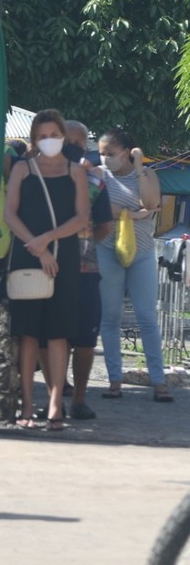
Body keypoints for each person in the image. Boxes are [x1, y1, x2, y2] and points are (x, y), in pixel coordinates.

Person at [3, 109, 89, 430]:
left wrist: (48, 240)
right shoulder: (23, 168)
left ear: (64, 136)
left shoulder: (75, 171)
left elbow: (82, 217)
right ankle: (27, 404)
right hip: (27, 254)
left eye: (54, 135)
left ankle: (55, 403)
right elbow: (11, 214)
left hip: (62, 255)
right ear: (33, 138)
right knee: (27, 335)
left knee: (58, 334)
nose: (49, 141)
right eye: (42, 136)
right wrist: (36, 246)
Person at [35, 120, 112, 420]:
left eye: (80, 145)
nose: (76, 149)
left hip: (84, 270)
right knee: (47, 336)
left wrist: (84, 244)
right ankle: (56, 395)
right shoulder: (36, 175)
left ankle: (78, 398)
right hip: (48, 268)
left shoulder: (94, 181)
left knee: (84, 338)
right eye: (72, 142)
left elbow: (104, 226)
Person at [97, 128, 172, 402]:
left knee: (147, 317)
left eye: (110, 153)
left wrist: (140, 165)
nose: (105, 159)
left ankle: (159, 382)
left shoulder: (146, 173)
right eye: (102, 153)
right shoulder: (98, 175)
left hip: (141, 254)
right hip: (107, 251)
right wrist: (132, 213)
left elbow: (150, 202)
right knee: (110, 318)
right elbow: (100, 209)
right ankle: (114, 380)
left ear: (127, 153)